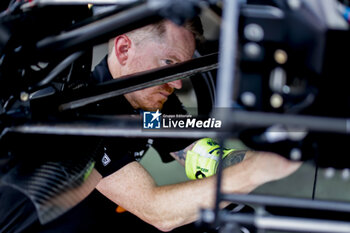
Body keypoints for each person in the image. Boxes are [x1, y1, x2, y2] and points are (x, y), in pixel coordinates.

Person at [0, 17, 301, 233]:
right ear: (123, 50)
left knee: (234, 219)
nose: (178, 83)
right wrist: (257, 170)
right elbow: (158, 211)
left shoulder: (154, 102)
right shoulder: (80, 114)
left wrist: (246, 162)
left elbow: (198, 153)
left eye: (182, 70)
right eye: (168, 64)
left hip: (109, 220)